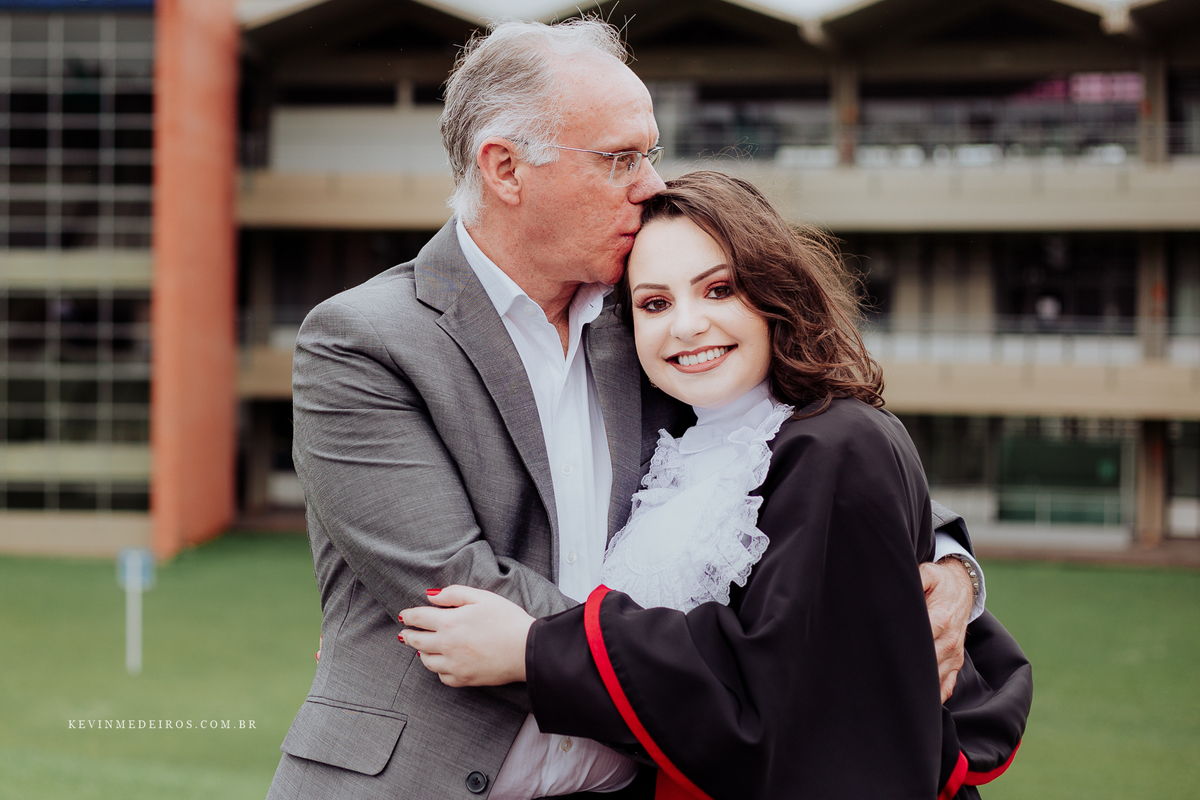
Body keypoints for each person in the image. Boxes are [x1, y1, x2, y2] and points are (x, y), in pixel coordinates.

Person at [268, 19, 984, 800]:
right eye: (619, 159)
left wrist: (945, 564)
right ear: (506, 168)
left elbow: (786, 448)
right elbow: (459, 597)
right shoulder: (363, 342)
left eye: (650, 154)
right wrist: (749, 673)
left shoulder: (644, 318)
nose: (649, 184)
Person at [398, 172, 1031, 800]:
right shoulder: (673, 446)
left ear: (773, 291)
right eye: (655, 303)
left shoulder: (840, 441)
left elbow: (779, 679)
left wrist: (534, 650)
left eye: (719, 290)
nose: (688, 325)